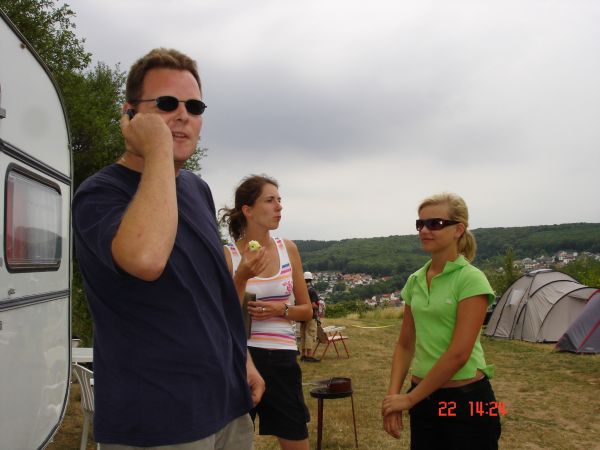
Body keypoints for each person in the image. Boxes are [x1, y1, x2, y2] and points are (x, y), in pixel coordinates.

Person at [72, 48, 264, 449]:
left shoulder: (196, 189)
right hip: (157, 421)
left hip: (225, 403)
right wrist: (158, 149)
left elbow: (211, 293)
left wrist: (241, 359)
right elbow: (146, 259)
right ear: (129, 114)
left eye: (194, 106)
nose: (182, 115)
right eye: (166, 104)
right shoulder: (98, 194)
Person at [381, 193, 501, 450]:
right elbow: (405, 344)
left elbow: (459, 353)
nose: (425, 230)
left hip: (467, 401)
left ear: (458, 229)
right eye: (420, 224)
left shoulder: (470, 279)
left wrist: (409, 399)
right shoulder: (415, 280)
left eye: (435, 223)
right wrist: (394, 398)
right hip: (423, 398)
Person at [220, 175, 313, 450]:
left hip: (282, 358)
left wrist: (280, 309)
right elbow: (220, 315)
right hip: (240, 358)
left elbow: (307, 311)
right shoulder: (228, 256)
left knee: (296, 440)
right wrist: (241, 277)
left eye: (279, 200)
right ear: (248, 210)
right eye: (270, 200)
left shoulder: (288, 249)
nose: (279, 207)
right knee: (233, 443)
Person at [300, 271, 321, 362]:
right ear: (311, 280)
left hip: (302, 315)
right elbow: (313, 305)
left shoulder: (301, 290)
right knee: (310, 334)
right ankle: (309, 356)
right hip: (311, 315)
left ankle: (303, 355)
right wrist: (318, 306)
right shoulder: (312, 290)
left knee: (303, 335)